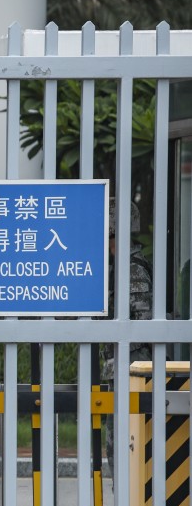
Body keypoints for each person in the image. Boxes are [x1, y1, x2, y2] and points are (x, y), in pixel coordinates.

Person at [101, 198, 152, 486]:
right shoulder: (117, 267)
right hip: (121, 367)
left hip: (132, 369)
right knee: (117, 443)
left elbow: (142, 322)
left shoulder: (132, 269)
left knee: (124, 441)